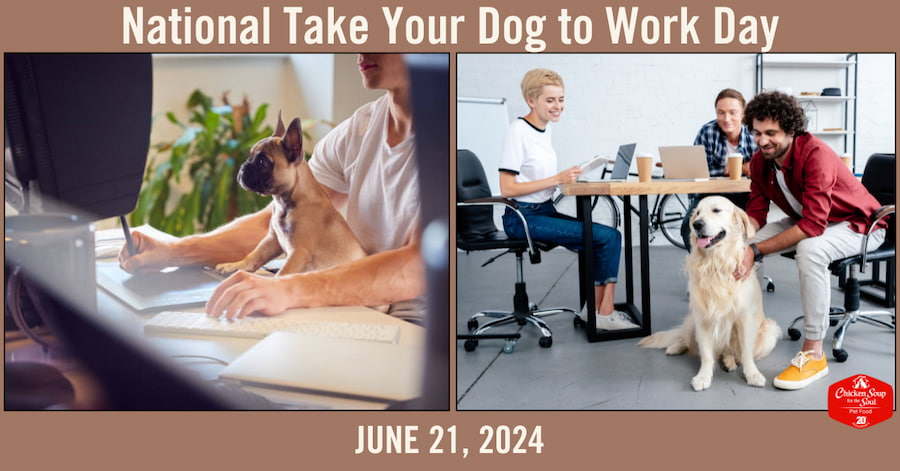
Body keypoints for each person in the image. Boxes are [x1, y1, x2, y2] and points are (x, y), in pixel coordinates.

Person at [118, 54, 427, 325]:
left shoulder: (444, 146)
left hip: (414, 325)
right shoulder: (359, 129)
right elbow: (277, 225)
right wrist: (175, 251)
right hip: (354, 308)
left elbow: (416, 268)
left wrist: (287, 288)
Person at [735, 91, 887, 390]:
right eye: (756, 133)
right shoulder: (759, 161)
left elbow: (813, 226)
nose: (762, 141)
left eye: (771, 134)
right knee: (737, 249)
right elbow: (756, 212)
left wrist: (756, 249)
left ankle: (813, 352)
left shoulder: (815, 154)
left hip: (859, 224)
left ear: (791, 130)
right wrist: (744, 245)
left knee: (810, 249)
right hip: (811, 218)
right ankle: (746, 332)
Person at [498, 68, 635, 331]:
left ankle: (594, 311)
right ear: (531, 100)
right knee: (607, 237)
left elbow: (535, 177)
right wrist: (556, 178)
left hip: (543, 210)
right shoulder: (519, 131)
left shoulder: (543, 130)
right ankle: (603, 313)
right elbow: (507, 188)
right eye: (550, 100)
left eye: (561, 99)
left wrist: (570, 174)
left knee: (607, 237)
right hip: (523, 218)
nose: (558, 106)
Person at [680, 88, 757, 250]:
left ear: (743, 114)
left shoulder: (754, 135)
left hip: (746, 196)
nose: (726, 118)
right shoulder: (707, 132)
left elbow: (760, 171)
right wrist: (725, 170)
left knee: (745, 229)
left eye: (732, 112)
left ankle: (741, 267)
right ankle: (705, 268)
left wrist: (739, 168)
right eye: (721, 113)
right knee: (687, 229)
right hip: (710, 194)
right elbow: (698, 171)